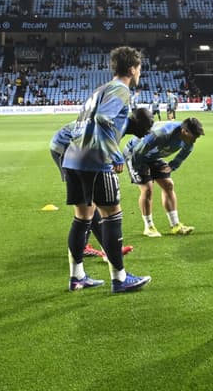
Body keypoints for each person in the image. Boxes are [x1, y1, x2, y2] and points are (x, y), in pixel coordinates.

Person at [61, 46, 151, 293]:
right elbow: (103, 118)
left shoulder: (100, 89)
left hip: (73, 157)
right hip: (95, 159)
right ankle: (120, 278)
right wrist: (115, 153)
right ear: (132, 69)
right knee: (112, 215)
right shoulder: (120, 89)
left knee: (83, 218)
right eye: (139, 68)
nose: (139, 73)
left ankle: (77, 277)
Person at [50, 108, 153, 259]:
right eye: (146, 128)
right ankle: (103, 250)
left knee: (90, 201)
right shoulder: (119, 125)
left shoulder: (121, 124)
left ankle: (99, 248)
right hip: (66, 147)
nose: (147, 132)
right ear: (137, 124)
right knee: (87, 201)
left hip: (73, 146)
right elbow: (101, 138)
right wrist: (116, 158)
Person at [124, 117, 204, 237]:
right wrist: (139, 166)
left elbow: (185, 152)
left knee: (168, 184)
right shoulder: (161, 134)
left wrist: (172, 166)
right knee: (147, 188)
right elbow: (138, 151)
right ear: (185, 131)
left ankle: (175, 225)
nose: (195, 140)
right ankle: (149, 227)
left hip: (152, 155)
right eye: (194, 136)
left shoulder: (189, 140)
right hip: (135, 153)